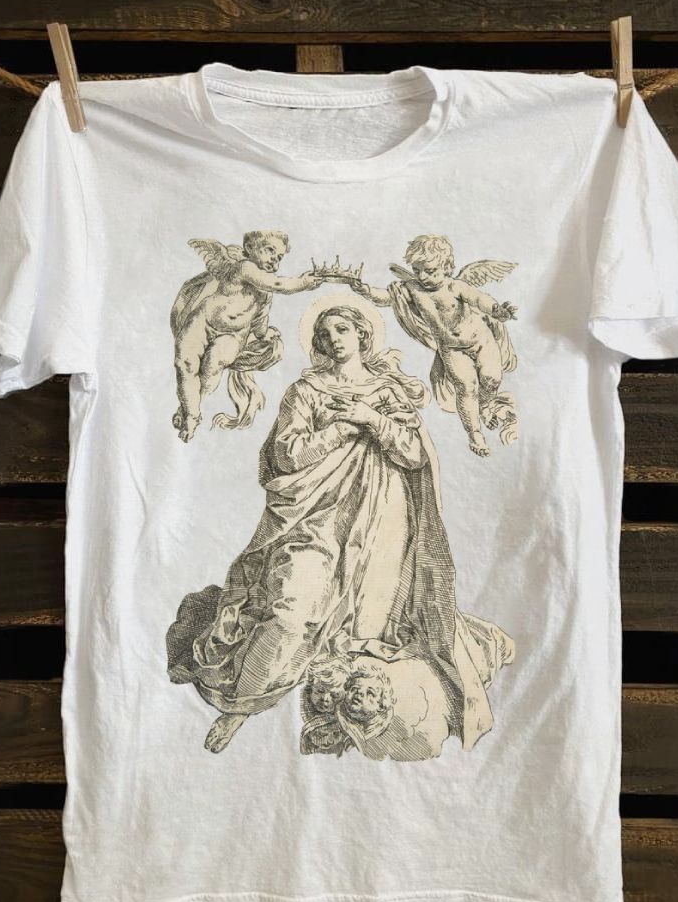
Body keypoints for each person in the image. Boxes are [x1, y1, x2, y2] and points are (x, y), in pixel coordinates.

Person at [166, 302, 514, 756]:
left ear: (363, 335)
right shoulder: (305, 391)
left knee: (362, 634)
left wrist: (374, 419)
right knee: (291, 614)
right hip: (313, 519)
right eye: (325, 332)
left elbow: (413, 454)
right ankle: (241, 703)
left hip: (381, 519)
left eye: (343, 329)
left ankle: (336, 722)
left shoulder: (389, 391)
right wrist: (343, 427)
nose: (334, 338)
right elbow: (287, 456)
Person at [351, 234, 520, 456]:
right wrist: (364, 289)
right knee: (465, 387)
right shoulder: (412, 289)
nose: (423, 276)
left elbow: (479, 299)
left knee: (491, 379)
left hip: (482, 341)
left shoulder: (455, 286)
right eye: (417, 270)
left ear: (446, 267)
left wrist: (497, 310)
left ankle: (486, 406)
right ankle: (474, 434)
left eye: (430, 271)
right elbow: (385, 297)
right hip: (452, 349)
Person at [170, 229, 322, 440]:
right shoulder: (244, 267)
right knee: (184, 364)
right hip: (202, 321)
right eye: (270, 250)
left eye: (279, 257)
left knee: (212, 367)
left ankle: (191, 413)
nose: (274, 259)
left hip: (233, 335)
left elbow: (260, 320)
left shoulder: (265, 292)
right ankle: (190, 409)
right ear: (249, 248)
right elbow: (278, 284)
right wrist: (303, 283)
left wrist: (264, 334)